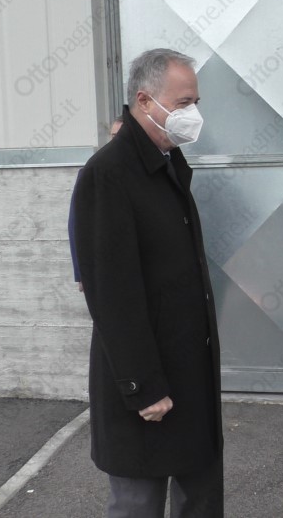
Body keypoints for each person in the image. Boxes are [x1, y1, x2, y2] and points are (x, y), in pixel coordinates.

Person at [73, 48, 223, 516]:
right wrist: (143, 385)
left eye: (195, 102)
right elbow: (112, 293)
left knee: (200, 493)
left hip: (188, 372)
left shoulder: (168, 160)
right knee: (139, 500)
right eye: (183, 103)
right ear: (144, 100)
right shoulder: (109, 173)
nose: (193, 114)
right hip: (146, 384)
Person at [68, 116, 123, 292]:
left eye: (122, 136)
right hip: (104, 269)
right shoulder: (92, 172)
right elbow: (77, 224)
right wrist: (81, 273)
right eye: (113, 136)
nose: (116, 142)